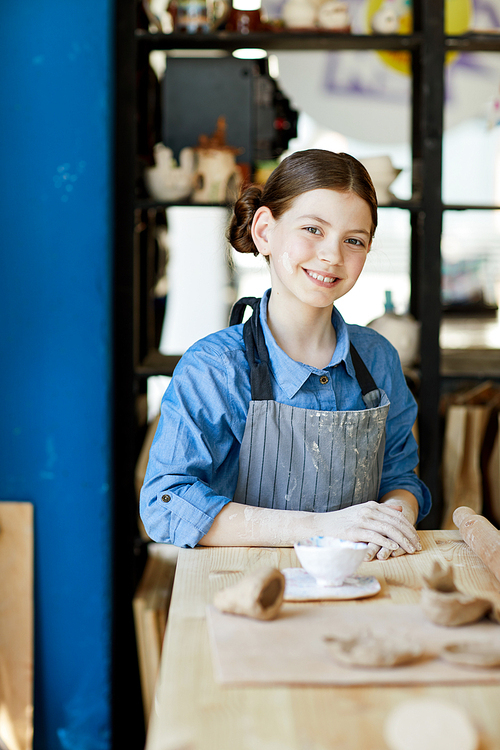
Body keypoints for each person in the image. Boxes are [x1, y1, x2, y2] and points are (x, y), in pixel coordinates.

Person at [140, 148, 431, 560]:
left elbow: (399, 476)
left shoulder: (378, 358)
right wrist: (318, 528)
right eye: (313, 229)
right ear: (264, 231)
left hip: (360, 583)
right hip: (244, 593)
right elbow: (166, 503)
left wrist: (390, 519)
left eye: (354, 240)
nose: (332, 254)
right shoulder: (216, 368)